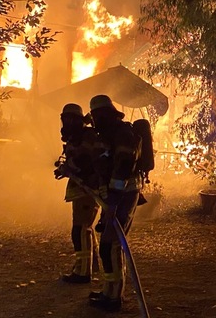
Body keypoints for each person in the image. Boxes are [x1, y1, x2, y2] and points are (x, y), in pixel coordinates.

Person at [87, 94, 142, 312]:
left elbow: (123, 168)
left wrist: (113, 201)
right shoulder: (107, 134)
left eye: (98, 115)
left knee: (112, 244)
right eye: (94, 116)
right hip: (112, 195)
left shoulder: (123, 134)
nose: (96, 120)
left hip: (124, 195)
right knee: (107, 245)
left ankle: (114, 297)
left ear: (108, 114)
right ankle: (108, 291)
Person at [56, 103, 101, 284]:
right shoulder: (77, 137)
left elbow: (85, 162)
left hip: (89, 188)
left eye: (69, 120)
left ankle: (82, 272)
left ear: (76, 120)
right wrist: (64, 169)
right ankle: (92, 264)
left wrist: (69, 168)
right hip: (82, 188)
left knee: (80, 229)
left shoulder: (88, 136)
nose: (66, 124)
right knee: (85, 227)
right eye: (64, 120)